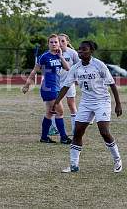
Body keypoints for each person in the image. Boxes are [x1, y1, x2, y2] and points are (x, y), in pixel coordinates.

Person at [51, 41, 122, 173]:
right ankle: (73, 165)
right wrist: (56, 102)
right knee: (77, 132)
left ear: (91, 51)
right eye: (79, 50)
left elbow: (112, 84)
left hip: (102, 101)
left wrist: (118, 104)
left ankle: (117, 159)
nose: (80, 52)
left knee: (104, 132)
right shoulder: (75, 68)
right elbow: (66, 86)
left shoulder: (99, 65)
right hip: (86, 103)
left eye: (84, 50)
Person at [22, 34, 72, 144]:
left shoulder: (59, 56)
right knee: (60, 112)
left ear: (59, 44)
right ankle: (63, 137)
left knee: (49, 113)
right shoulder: (44, 56)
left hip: (56, 87)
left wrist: (61, 56)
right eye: (51, 42)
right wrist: (27, 84)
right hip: (48, 88)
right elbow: (34, 71)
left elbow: (68, 68)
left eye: (56, 42)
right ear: (48, 44)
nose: (54, 44)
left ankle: (44, 137)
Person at [48, 33, 80, 135]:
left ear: (67, 42)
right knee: (54, 105)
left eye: (63, 41)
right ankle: (54, 128)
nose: (60, 43)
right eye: (59, 41)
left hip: (69, 83)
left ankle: (76, 129)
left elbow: (78, 66)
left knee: (71, 104)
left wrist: (77, 78)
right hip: (56, 83)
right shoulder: (53, 53)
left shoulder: (72, 53)